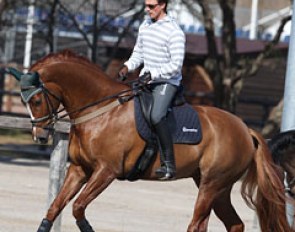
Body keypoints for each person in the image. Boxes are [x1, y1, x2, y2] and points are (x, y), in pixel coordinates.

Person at [118, 0, 186, 180]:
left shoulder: (174, 32)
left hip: (166, 82)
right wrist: (127, 66)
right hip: (145, 80)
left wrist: (153, 74)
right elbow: (138, 53)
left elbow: (176, 66)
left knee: (156, 115)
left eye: (151, 6)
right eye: (146, 6)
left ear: (162, 5)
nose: (147, 10)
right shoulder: (145, 25)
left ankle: (169, 164)